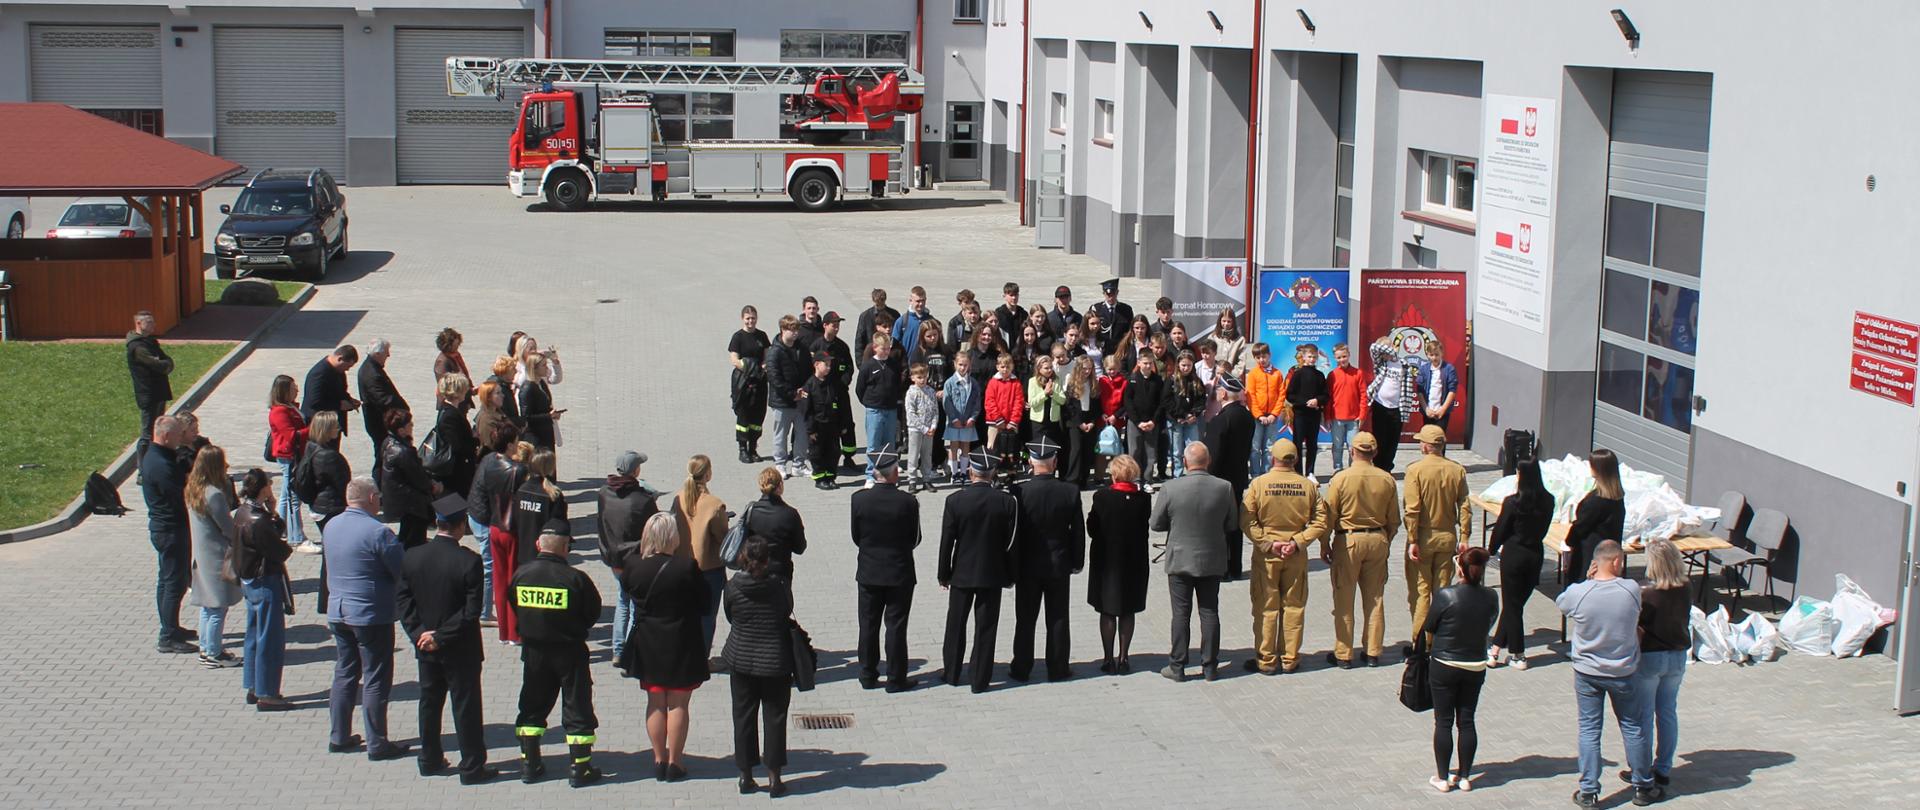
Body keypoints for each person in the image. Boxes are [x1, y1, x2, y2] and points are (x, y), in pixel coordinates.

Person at [397, 511, 496, 784]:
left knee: (429, 703)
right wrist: (441, 636)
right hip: (460, 648)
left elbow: (404, 602)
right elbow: (471, 611)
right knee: (465, 705)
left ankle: (429, 760)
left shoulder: (413, 557)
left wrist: (420, 634)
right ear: (461, 526)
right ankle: (472, 766)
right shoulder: (469, 561)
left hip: (425, 648)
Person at [1558, 541, 1656, 807]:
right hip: (1623, 671)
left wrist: (1588, 581)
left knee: (1589, 730)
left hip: (1587, 671)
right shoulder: (1631, 589)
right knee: (1633, 728)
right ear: (1615, 562)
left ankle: (1588, 790)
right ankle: (1642, 785)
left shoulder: (1580, 592)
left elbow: (1562, 603)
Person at [618, 514, 710, 783]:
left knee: (656, 702)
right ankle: (675, 762)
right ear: (672, 537)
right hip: (682, 640)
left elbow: (627, 592)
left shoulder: (633, 565)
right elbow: (705, 604)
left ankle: (658, 758)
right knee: (679, 703)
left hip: (648, 641)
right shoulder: (686, 567)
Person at [324, 477, 410, 761]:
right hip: (370, 615)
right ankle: (377, 742)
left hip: (338, 611)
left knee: (345, 672)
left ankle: (339, 735)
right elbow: (401, 570)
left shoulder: (331, 526)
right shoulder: (378, 533)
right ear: (372, 497)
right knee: (375, 677)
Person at [511, 530, 604, 787]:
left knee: (531, 705)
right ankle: (580, 769)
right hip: (569, 651)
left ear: (538, 544)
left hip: (534, 652)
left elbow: (513, 604)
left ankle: (529, 765)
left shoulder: (521, 574)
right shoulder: (575, 578)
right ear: (565, 548)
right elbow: (592, 612)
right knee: (577, 706)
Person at [1149, 444, 1236, 682]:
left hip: (1180, 558)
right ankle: (1210, 667)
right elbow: (1232, 524)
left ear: (1185, 463)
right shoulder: (1224, 487)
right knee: (1209, 613)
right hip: (1212, 559)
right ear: (1208, 461)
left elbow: (1156, 524)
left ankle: (1177, 666)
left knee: (1180, 614)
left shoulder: (1170, 487)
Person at [1241, 439, 1328, 674]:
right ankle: (1290, 658)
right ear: (1295, 460)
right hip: (1295, 554)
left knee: (1266, 607)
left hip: (1267, 556)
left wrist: (1268, 544)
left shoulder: (1259, 484)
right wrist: (1297, 542)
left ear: (1273, 459)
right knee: (1294, 607)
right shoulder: (1307, 486)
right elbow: (1321, 521)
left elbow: (1247, 520)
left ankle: (1266, 659)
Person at [939, 447, 1018, 693]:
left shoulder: (955, 500)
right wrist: (1009, 575)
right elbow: (1011, 543)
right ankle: (980, 679)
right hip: (992, 573)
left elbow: (947, 541)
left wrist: (944, 573)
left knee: (955, 624)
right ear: (993, 473)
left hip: (961, 572)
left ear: (971, 471)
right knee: (986, 627)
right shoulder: (1006, 501)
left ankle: (952, 672)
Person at [1320, 432, 1400, 668]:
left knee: (1344, 598)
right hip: (1377, 538)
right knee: (1375, 599)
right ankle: (1373, 651)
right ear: (1374, 453)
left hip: (1349, 540)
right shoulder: (1386, 479)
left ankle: (1344, 653)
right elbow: (1394, 519)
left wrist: (1325, 544)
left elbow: (1329, 516)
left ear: (1352, 451)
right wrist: (1385, 540)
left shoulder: (1341, 479)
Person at [724, 536, 797, 797]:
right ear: (767, 560)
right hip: (775, 659)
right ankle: (775, 778)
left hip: (741, 658)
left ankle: (745, 775)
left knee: (743, 716)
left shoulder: (732, 586)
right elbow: (787, 610)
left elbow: (730, 615)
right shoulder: (778, 585)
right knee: (775, 717)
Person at [1010, 437, 1085, 682]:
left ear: (1031, 462)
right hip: (1058, 563)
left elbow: (1013, 532)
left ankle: (1021, 667)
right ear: (1054, 462)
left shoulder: (1019, 491)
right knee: (1058, 617)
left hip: (1027, 566)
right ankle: (1058, 667)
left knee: (1025, 618)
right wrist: (1077, 562)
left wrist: (1011, 564)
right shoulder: (1069, 490)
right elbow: (1078, 532)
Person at [1425, 546, 1499, 794]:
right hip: (1475, 664)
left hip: (1445, 663)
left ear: (1460, 569)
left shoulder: (1445, 595)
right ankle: (1465, 776)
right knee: (1467, 720)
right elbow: (1490, 621)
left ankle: (1442, 777)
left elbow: (1430, 625)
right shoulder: (1491, 596)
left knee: (1443, 721)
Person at [850, 446, 920, 691]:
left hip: (869, 571)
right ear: (892, 473)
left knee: (868, 625)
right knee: (896, 626)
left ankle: (867, 675)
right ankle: (895, 678)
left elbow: (856, 536)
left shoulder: (858, 499)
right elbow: (915, 538)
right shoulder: (908, 501)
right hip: (899, 572)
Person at [1632, 539, 1691, 792]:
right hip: (1677, 655)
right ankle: (1663, 768)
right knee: (1667, 713)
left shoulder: (1644, 591)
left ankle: (1642, 770)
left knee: (1644, 715)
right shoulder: (1686, 586)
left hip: (1650, 657)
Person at [232, 468, 293, 711]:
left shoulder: (243, 512)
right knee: (269, 638)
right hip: (264, 580)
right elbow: (280, 549)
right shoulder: (258, 521)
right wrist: (273, 514)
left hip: (249, 580)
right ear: (264, 488)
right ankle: (267, 693)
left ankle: (253, 685)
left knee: (254, 634)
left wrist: (271, 511)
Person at [1403, 424, 1471, 639]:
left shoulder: (1416, 470)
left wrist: (1412, 538)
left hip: (1423, 536)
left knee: (1421, 591)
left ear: (1426, 446)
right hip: (1448, 535)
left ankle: (1419, 641)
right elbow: (1465, 505)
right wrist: (1465, 536)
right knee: (1442, 591)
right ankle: (1438, 639)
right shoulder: (1457, 469)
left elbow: (1412, 509)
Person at [1487, 458, 1554, 670]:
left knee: (1513, 605)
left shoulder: (1512, 502)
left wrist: (1489, 551)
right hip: (1535, 554)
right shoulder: (1549, 500)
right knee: (1514, 605)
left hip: (1513, 555)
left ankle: (1518, 654)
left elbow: (1500, 530)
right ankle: (1495, 649)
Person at [1086, 455, 1151, 673]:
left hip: (1107, 562)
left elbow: (1092, 529)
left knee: (1107, 610)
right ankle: (1124, 658)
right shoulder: (1143, 499)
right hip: (1134, 560)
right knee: (1127, 610)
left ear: (1114, 475)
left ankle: (1108, 658)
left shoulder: (1102, 497)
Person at [142, 416, 197, 654]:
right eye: (177, 434)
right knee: (173, 583)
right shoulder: (161, 465)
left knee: (168, 580)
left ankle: (171, 626)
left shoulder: (159, 456)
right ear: (165, 436)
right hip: (170, 529)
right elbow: (180, 495)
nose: (180, 438)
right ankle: (167, 635)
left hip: (167, 528)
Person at [186, 445, 244, 668]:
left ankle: (206, 647)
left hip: (202, 556)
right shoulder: (214, 494)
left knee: (208, 606)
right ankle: (213, 653)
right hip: (218, 557)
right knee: (218, 606)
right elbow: (227, 528)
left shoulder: (194, 489)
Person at [598, 451, 658, 661]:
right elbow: (653, 528)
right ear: (635, 471)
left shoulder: (604, 493)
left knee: (622, 600)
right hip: (635, 558)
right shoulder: (643, 499)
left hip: (614, 558)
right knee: (634, 604)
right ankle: (632, 650)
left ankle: (617, 649)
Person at [466, 422, 524, 632]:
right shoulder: (506, 467)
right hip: (484, 519)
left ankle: (487, 608)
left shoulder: (490, 458)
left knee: (491, 566)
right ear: (509, 445)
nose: (519, 444)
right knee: (490, 567)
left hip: (477, 514)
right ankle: (484, 612)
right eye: (516, 441)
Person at [509, 450, 570, 639]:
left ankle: (526, 628)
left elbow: (515, 521)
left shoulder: (521, 490)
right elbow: (560, 527)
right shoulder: (553, 495)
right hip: (547, 555)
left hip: (524, 552)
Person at [670, 455, 729, 649]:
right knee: (706, 616)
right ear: (708, 474)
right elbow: (723, 538)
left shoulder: (678, 498)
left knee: (686, 612)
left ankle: (684, 650)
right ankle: (701, 659)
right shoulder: (714, 504)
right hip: (708, 570)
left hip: (681, 566)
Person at [1204, 375, 1256, 581]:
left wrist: (1207, 478)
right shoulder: (1246, 417)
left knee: (1220, 525)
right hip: (1238, 477)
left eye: (1218, 390)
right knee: (1234, 525)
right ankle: (1235, 566)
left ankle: (1222, 568)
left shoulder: (1221, 419)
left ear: (1223, 393)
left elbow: (1213, 455)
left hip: (1219, 480)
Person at [1566, 449, 1627, 584]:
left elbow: (1581, 526)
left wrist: (1569, 541)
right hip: (1610, 553)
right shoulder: (1617, 497)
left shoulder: (1596, 501)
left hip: (1589, 555)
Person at [379, 409, 437, 549]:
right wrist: (433, 486)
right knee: (414, 538)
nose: (412, 426)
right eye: (409, 424)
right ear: (401, 430)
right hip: (412, 502)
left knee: (406, 533)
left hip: (401, 499)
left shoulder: (388, 442)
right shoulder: (402, 452)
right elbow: (418, 478)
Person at [764, 315, 811, 479]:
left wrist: (804, 391)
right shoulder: (774, 351)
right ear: (783, 330)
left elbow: (809, 372)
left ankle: (799, 464)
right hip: (782, 402)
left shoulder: (802, 349)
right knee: (781, 435)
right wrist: (792, 394)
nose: (796, 333)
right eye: (792, 330)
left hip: (800, 401)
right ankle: (780, 465)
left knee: (802, 433)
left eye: (797, 330)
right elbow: (775, 378)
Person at [268, 375, 312, 550]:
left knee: (287, 494)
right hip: (288, 456)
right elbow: (292, 436)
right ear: (284, 391)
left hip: (293, 455)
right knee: (291, 495)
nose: (297, 390)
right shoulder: (280, 411)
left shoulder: (290, 407)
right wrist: (312, 429)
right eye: (294, 388)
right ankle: (293, 534)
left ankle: (281, 527)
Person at [812, 311, 861, 467]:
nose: (837, 328)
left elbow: (849, 367)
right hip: (824, 395)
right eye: (834, 325)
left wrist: (843, 382)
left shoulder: (841, 346)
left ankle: (848, 456)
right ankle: (827, 459)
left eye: (838, 325)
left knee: (846, 424)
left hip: (840, 392)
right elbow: (811, 370)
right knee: (827, 426)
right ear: (825, 325)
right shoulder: (816, 346)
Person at [127, 310, 175, 470]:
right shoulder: (137, 346)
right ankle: (143, 469)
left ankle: (156, 463)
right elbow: (157, 364)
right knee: (147, 433)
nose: (154, 325)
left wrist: (165, 363)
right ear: (139, 324)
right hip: (148, 393)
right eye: (150, 322)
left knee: (158, 430)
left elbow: (167, 360)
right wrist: (164, 364)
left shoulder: (151, 342)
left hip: (159, 390)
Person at [743, 467, 809, 580]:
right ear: (780, 486)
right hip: (781, 572)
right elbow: (800, 548)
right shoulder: (790, 513)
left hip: (755, 571)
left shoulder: (751, 511)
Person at [358, 339, 408, 482]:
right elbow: (383, 399)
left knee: (382, 453)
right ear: (378, 353)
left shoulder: (372, 367)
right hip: (379, 423)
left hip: (378, 421)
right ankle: (380, 485)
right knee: (382, 455)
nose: (389, 355)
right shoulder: (371, 373)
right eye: (386, 353)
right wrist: (402, 411)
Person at [728, 305, 772, 464]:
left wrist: (763, 367)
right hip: (743, 381)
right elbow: (734, 360)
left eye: (753, 318)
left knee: (758, 414)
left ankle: (753, 449)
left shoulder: (762, 336)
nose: (750, 321)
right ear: (742, 319)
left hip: (759, 381)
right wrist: (750, 367)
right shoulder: (737, 337)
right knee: (743, 414)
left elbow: (767, 356)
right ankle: (742, 449)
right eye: (747, 318)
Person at [1365, 343, 1418, 473]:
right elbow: (1373, 348)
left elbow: (1407, 387)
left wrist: (1394, 353)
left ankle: (1387, 468)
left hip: (1397, 407)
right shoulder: (1381, 363)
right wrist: (1390, 351)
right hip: (1380, 405)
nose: (1386, 354)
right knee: (1379, 438)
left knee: (1392, 440)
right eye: (1385, 351)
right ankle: (1377, 467)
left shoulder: (1404, 364)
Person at [1123, 352, 1168, 489]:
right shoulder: (1132, 379)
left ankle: (1147, 480)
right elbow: (1128, 401)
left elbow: (1162, 402)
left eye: (1150, 363)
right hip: (1135, 422)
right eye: (1145, 363)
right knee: (1135, 450)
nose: (1148, 366)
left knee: (1150, 452)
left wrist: (1153, 421)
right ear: (1139, 363)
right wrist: (1137, 422)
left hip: (1151, 423)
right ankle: (1136, 480)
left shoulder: (1158, 380)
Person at [429, 374, 478, 498]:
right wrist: (475, 440)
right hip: (455, 472)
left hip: (457, 469)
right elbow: (456, 445)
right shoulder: (450, 415)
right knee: (455, 508)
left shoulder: (449, 410)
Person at [802, 351, 844, 490]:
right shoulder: (809, 385)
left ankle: (830, 477)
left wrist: (841, 425)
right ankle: (820, 478)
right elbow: (807, 411)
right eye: (826, 364)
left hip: (831, 425)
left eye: (830, 365)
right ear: (816, 365)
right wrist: (811, 430)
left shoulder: (831, 383)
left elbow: (838, 405)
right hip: (818, 427)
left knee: (833, 452)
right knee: (817, 453)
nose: (829, 367)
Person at [1285, 344, 1328, 477]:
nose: (1312, 359)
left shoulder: (1320, 375)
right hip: (1300, 414)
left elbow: (1325, 395)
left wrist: (1317, 401)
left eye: (1314, 357)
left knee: (1312, 444)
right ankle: (1297, 472)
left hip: (1314, 415)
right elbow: (1290, 395)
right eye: (1309, 356)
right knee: (1297, 443)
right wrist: (1304, 403)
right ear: (1303, 357)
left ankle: (1310, 472)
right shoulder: (1297, 374)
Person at [1244, 343, 1287, 477]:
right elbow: (1250, 396)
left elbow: (1281, 395)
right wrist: (1259, 415)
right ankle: (1256, 474)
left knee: (1269, 447)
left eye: (1264, 356)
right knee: (1255, 448)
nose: (1261, 360)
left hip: (1272, 417)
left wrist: (1274, 414)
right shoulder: (1253, 374)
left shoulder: (1277, 374)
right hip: (1257, 417)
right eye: (1258, 357)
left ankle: (1266, 473)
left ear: (1269, 355)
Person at [301, 345, 361, 439]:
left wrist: (349, 400)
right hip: (320, 427)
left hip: (332, 426)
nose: (347, 369)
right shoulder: (319, 373)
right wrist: (339, 405)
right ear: (340, 359)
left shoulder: (338, 371)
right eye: (347, 366)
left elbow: (339, 392)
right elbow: (314, 401)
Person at [983, 353, 1026, 475]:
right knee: (993, 447)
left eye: (1007, 367)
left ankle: (1011, 472)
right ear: (997, 367)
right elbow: (989, 402)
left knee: (1011, 449)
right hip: (995, 422)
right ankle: (993, 474)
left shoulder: (1016, 383)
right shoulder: (993, 382)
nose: (1005, 370)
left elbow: (1019, 402)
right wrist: (999, 420)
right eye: (1002, 367)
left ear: (1012, 367)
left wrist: (1013, 421)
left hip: (1011, 423)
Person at [1063, 352, 1101, 488]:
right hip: (1075, 421)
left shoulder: (1093, 383)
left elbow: (1096, 406)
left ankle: (1084, 479)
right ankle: (1072, 479)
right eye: (1084, 368)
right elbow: (1069, 406)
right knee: (1076, 449)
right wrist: (1079, 423)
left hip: (1089, 419)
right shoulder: (1071, 382)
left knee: (1087, 450)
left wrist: (1092, 422)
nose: (1087, 371)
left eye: (1089, 368)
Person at [1326, 343, 1367, 472]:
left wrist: (1363, 414)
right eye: (1338, 357)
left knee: (1353, 447)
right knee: (1337, 446)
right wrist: (1327, 417)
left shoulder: (1358, 373)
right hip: (1336, 418)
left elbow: (1363, 395)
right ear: (1335, 358)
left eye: (1344, 356)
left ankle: (1353, 470)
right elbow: (1328, 398)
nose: (1342, 360)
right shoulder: (1332, 375)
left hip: (1353, 418)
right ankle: (1337, 470)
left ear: (1349, 355)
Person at [1165, 352, 1207, 477]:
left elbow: (1201, 400)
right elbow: (1167, 402)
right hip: (1176, 420)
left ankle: (1192, 474)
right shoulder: (1171, 380)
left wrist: (1193, 414)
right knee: (1176, 451)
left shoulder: (1196, 381)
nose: (1186, 368)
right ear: (1178, 365)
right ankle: (1177, 475)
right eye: (1183, 365)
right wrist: (1181, 416)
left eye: (1188, 365)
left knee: (1192, 449)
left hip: (1191, 420)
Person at [942, 350, 981, 481]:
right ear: (955, 364)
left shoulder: (973, 383)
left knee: (965, 445)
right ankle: (954, 473)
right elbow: (947, 403)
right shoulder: (949, 383)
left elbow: (977, 402)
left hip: (968, 421)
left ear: (969, 365)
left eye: (965, 365)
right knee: (953, 446)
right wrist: (954, 418)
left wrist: (973, 418)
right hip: (954, 422)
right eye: (960, 364)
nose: (963, 368)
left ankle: (964, 472)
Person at [905, 363, 942, 492]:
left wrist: (933, 426)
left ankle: (927, 479)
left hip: (929, 430)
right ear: (913, 378)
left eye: (924, 377)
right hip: (916, 429)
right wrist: (923, 428)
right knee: (913, 455)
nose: (922, 380)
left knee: (927, 455)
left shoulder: (931, 391)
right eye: (919, 377)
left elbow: (935, 411)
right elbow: (911, 413)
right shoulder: (911, 393)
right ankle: (912, 480)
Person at [1026, 356, 1068, 468]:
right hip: (1038, 422)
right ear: (1039, 369)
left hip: (1052, 421)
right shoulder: (1032, 381)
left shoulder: (1056, 380)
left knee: (1051, 448)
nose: (1049, 370)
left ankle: (1051, 470)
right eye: (1046, 368)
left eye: (1050, 367)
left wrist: (1052, 393)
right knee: (1038, 449)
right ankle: (1037, 470)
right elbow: (1032, 402)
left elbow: (1063, 400)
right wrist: (1044, 393)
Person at [518, 353, 561, 453]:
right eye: (544, 365)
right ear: (535, 368)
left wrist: (553, 414)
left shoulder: (541, 383)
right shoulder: (528, 389)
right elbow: (526, 417)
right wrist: (548, 416)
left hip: (547, 433)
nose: (547, 368)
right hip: (536, 438)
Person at [1416, 338, 1460, 431]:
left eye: (1437, 355)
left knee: (1439, 440)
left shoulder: (1449, 369)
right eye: (1431, 355)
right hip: (1428, 411)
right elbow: (1419, 391)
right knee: (1428, 438)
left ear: (1441, 354)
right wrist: (1426, 409)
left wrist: (1443, 410)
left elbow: (1452, 390)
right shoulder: (1423, 369)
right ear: (1427, 355)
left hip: (1442, 412)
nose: (1434, 358)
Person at [432, 327, 473, 408]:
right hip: (452, 403)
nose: (458, 345)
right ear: (448, 344)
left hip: (460, 400)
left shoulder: (455, 356)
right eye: (456, 343)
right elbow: (447, 385)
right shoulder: (442, 362)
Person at [854, 288, 899, 360]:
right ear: (873, 300)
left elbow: (898, 336)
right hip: (870, 355)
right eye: (878, 302)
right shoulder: (866, 316)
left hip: (890, 355)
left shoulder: (894, 314)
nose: (880, 304)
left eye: (882, 301)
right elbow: (859, 340)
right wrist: (860, 363)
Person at [1091, 278, 1134, 353]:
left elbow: (1130, 330)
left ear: (1117, 292)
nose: (1111, 297)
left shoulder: (1126, 310)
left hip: (1120, 349)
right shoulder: (1096, 308)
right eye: (1108, 294)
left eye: (1113, 294)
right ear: (1104, 293)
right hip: (1102, 348)